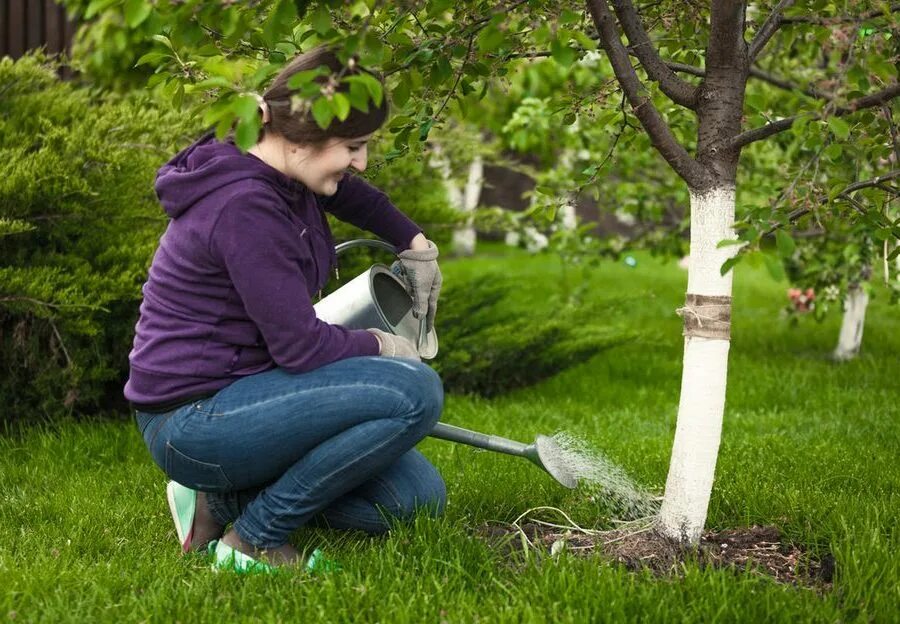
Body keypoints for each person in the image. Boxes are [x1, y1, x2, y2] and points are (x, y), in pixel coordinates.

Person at [126, 46, 446, 573]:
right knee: (414, 392)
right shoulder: (245, 207)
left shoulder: (275, 165)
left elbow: (349, 194)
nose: (361, 161)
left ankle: (219, 499)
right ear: (305, 137)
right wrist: (385, 346)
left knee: (412, 501)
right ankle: (252, 539)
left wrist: (414, 242)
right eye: (353, 146)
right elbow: (301, 347)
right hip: (194, 419)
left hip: (250, 392)